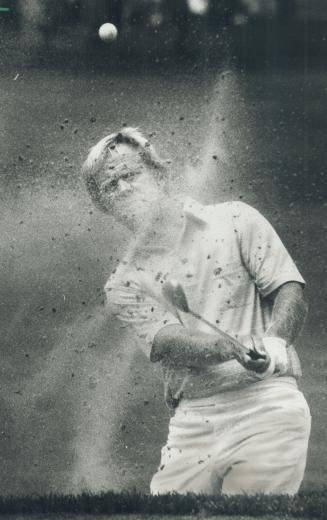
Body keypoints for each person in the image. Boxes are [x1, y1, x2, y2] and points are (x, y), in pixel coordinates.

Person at [82, 127, 311, 496]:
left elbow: (289, 289)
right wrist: (231, 348)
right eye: (111, 186)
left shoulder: (235, 219)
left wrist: (274, 344)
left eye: (130, 175)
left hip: (266, 404)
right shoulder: (122, 282)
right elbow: (169, 340)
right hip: (192, 420)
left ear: (159, 174)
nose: (123, 189)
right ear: (103, 205)